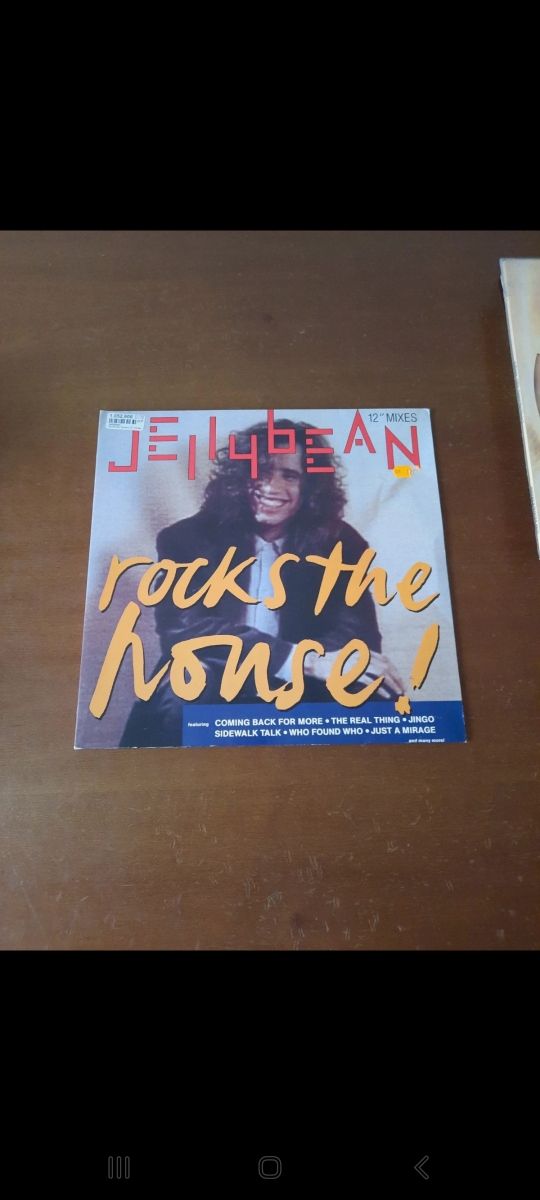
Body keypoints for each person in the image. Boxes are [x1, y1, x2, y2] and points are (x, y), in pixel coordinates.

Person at [120, 419, 404, 746]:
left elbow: (356, 634)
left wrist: (323, 664)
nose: (271, 487)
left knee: (376, 686)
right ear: (239, 478)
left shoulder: (342, 543)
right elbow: (185, 630)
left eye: (290, 475)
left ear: (310, 488)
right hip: (216, 673)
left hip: (304, 684)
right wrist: (301, 659)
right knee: (186, 686)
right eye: (262, 472)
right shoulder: (186, 538)